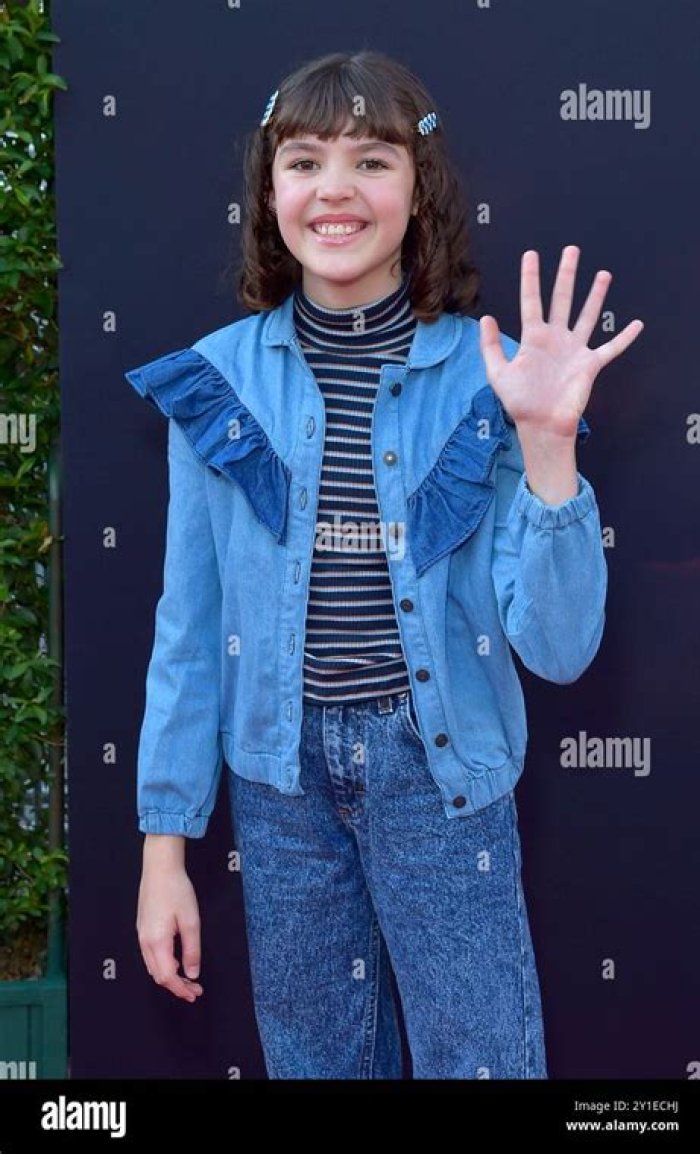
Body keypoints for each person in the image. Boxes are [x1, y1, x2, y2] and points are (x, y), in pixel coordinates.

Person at [124, 49, 643, 1080]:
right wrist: (163, 849)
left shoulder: (494, 378)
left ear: (420, 187)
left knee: (482, 1061)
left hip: (442, 778)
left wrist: (548, 447)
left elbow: (559, 648)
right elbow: (189, 630)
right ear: (269, 192)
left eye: (371, 161)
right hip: (279, 787)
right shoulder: (217, 382)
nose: (335, 190)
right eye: (304, 161)